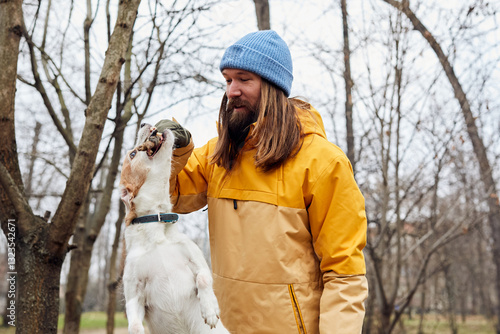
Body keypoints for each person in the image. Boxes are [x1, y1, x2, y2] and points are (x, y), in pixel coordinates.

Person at [157, 30, 368, 334]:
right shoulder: (218, 155)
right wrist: (170, 153)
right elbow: (169, 195)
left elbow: (344, 275)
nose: (232, 90)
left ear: (272, 86)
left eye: (244, 79)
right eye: (228, 80)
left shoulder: (324, 162)